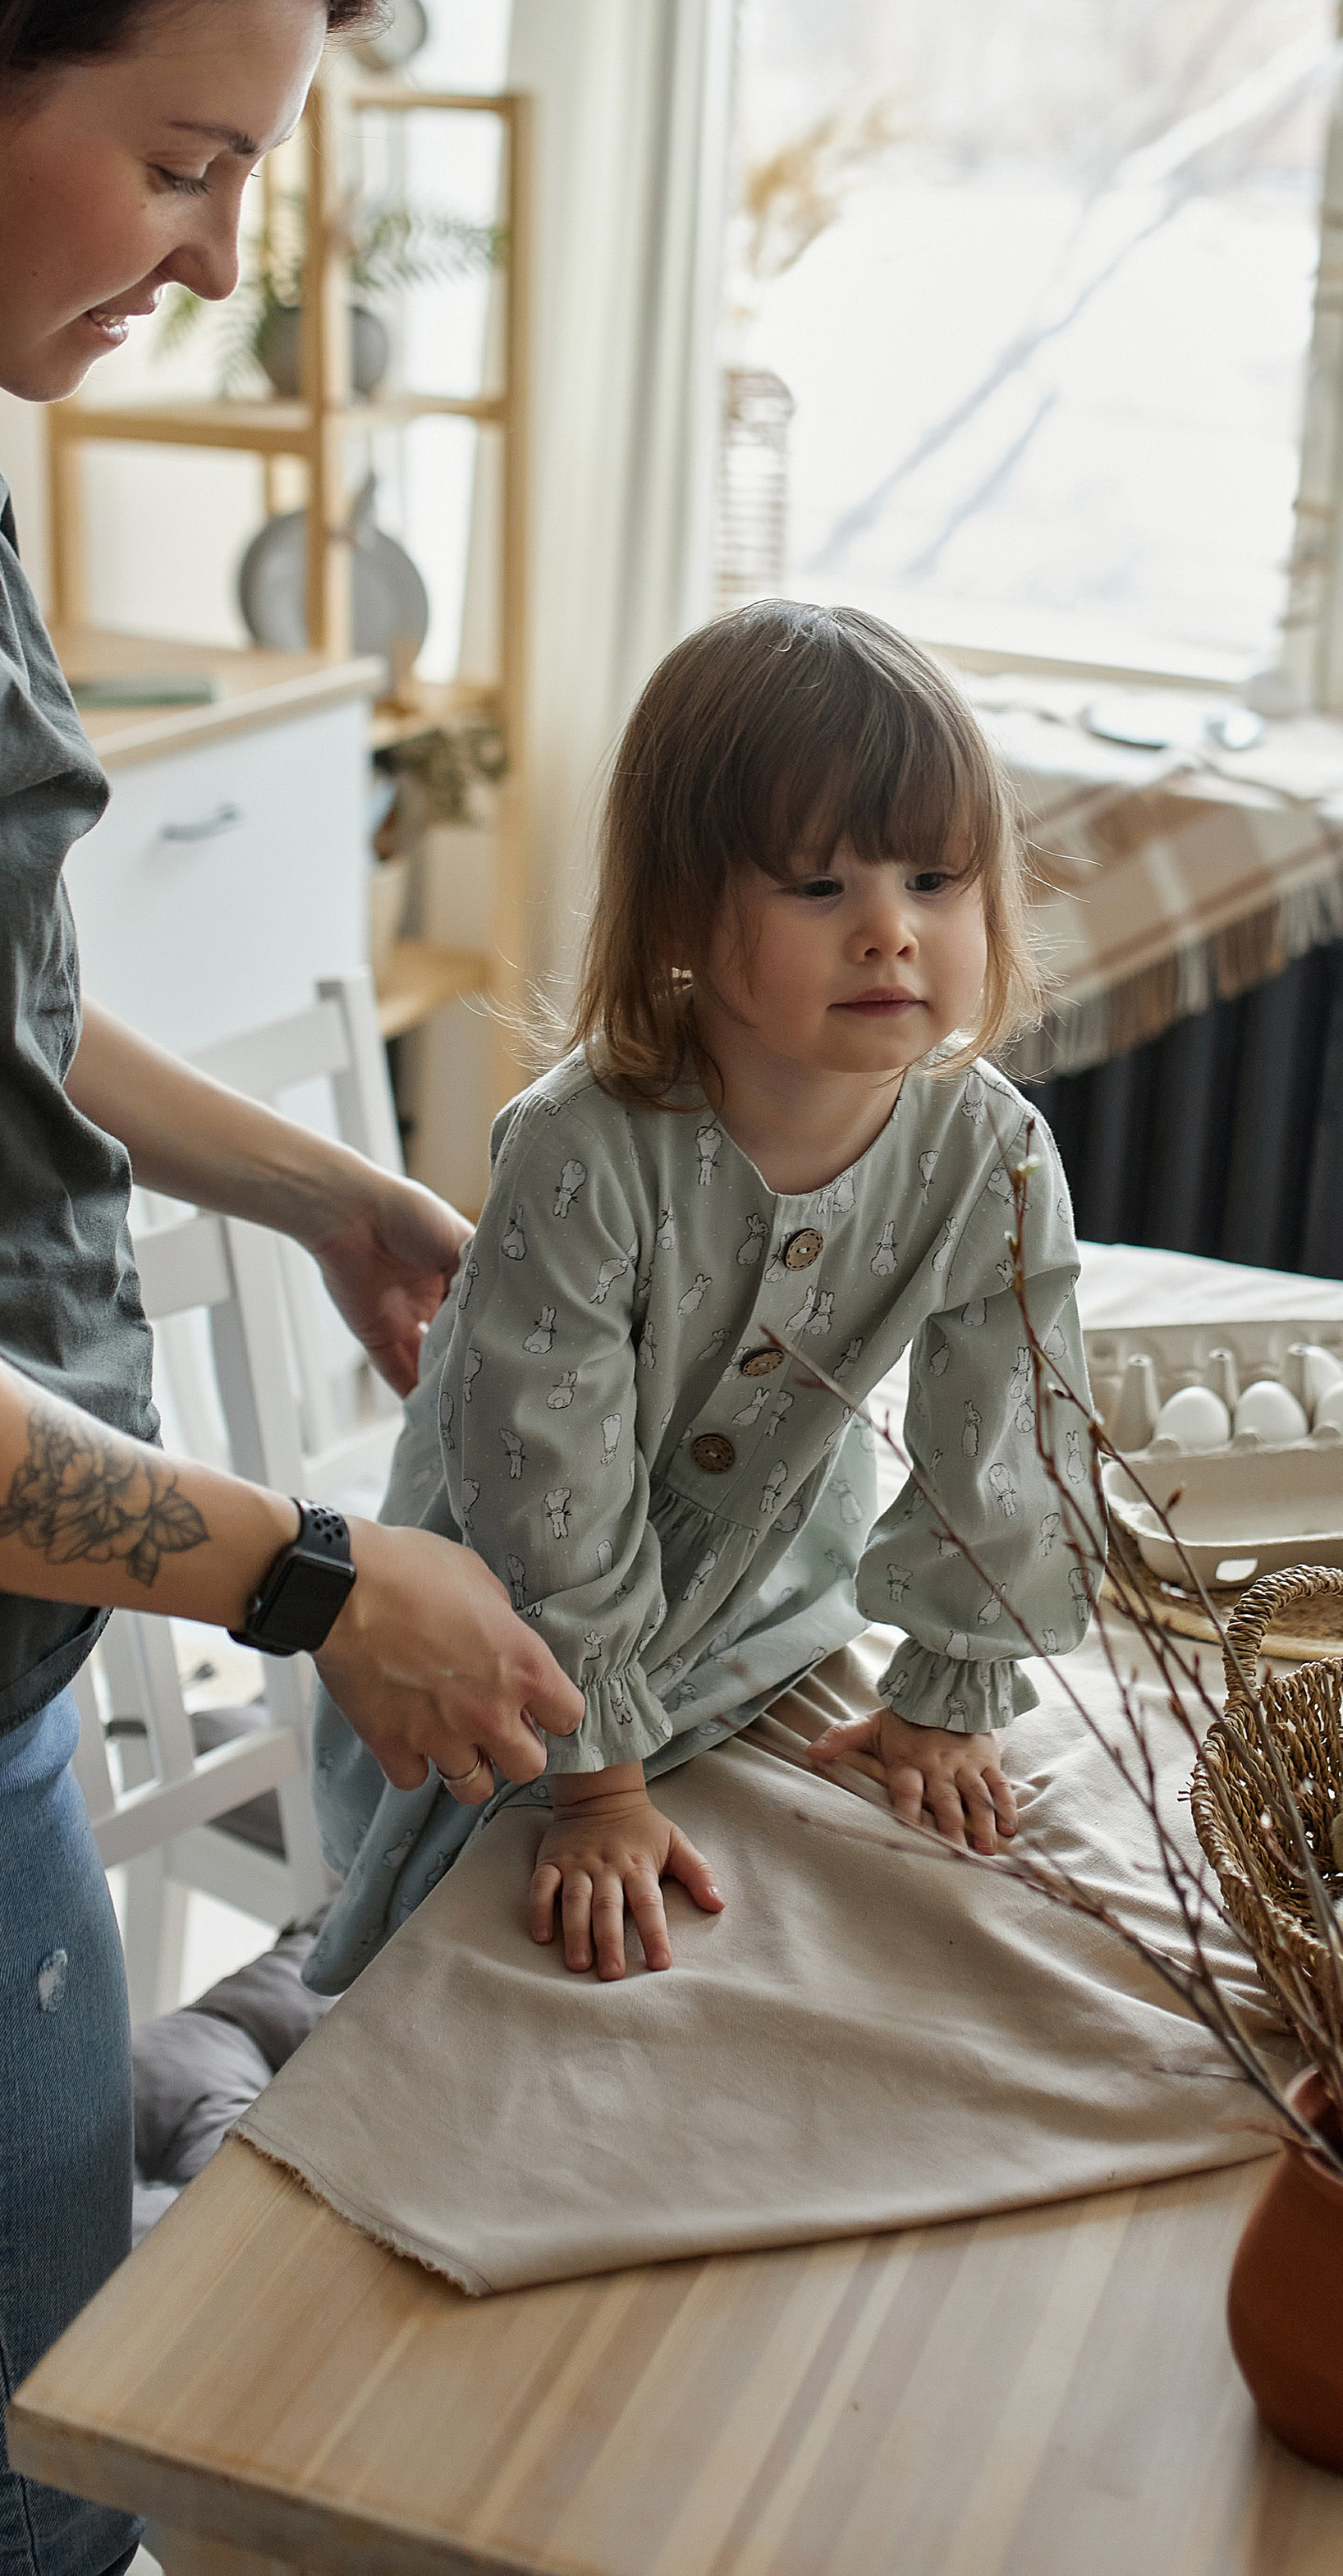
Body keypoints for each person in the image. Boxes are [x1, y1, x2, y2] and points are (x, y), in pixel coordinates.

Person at [0, 0, 582, 2576]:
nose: (215, 255)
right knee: (21, 2496)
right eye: (181, 159)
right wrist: (319, 1577)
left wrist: (320, 1174)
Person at [308, 600, 1095, 1996]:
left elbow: (1014, 1430)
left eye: (935, 881)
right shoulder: (583, 1150)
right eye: (818, 888)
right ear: (680, 913)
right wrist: (598, 1788)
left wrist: (948, 1694)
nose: (890, 935)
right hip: (515, 1604)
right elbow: (544, 1482)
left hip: (776, 1580)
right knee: (474, 1939)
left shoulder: (992, 1150)